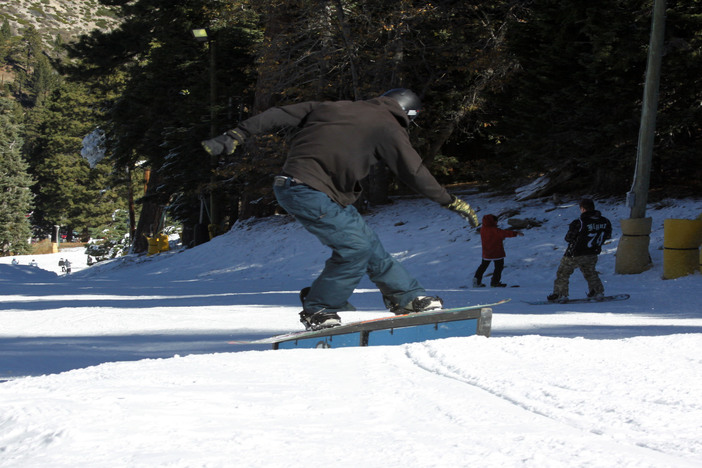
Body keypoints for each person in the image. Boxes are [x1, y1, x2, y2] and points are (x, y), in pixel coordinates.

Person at [202, 88, 480, 330]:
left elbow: (277, 114)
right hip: (308, 190)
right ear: (407, 113)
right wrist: (449, 201)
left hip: (305, 189)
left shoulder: (331, 107)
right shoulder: (389, 125)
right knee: (355, 248)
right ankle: (319, 308)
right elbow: (414, 170)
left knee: (368, 246)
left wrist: (236, 134)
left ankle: (407, 296)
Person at [547, 198, 612, 302]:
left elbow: (569, 238)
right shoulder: (605, 221)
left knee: (563, 273)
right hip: (592, 252)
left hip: (575, 253)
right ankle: (597, 291)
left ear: (582, 209)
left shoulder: (580, 222)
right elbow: (607, 236)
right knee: (590, 272)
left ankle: (560, 294)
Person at [473, 214, 523, 288]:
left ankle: (476, 281)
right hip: (496, 251)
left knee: (483, 266)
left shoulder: (483, 228)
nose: (497, 223)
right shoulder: (494, 229)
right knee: (499, 267)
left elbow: (493, 236)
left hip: (486, 251)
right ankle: (495, 283)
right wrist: (516, 233)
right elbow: (504, 233)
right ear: (492, 221)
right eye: (496, 221)